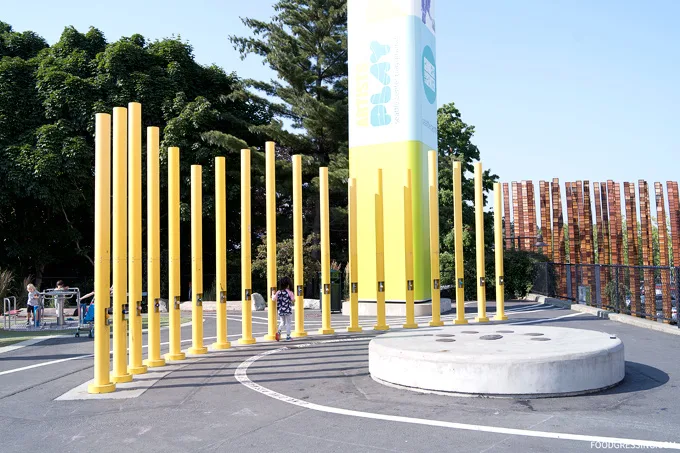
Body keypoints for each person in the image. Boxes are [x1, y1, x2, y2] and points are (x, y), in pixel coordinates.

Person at [273, 276, 294, 341]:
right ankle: (288, 337)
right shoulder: (290, 292)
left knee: (282, 322)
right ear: (288, 284)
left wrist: (273, 293)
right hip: (288, 310)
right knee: (288, 323)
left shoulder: (278, 292)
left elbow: (273, 299)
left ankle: (278, 332)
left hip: (280, 310)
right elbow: (293, 299)